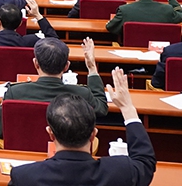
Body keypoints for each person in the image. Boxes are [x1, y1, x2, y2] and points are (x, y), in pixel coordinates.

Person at [8, 68, 155, 186]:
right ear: (93, 135)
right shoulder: (121, 173)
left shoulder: (24, 177)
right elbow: (145, 161)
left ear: (50, 134)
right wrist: (127, 108)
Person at [0, 37, 106, 138]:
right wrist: (92, 67)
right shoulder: (82, 95)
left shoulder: (15, 92)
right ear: (66, 66)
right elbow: (101, 108)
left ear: (35, 64)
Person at [106, 0, 182, 42]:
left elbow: (110, 27)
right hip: (160, 51)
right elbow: (180, 14)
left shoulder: (124, 10)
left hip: (131, 50)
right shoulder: (167, 10)